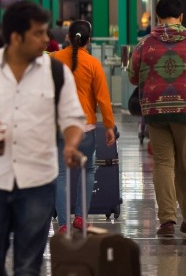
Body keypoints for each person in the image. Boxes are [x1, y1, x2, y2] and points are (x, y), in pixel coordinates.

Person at [0, 1, 85, 276]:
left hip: (38, 180)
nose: (47, 40)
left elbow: (73, 118)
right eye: (38, 33)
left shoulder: (56, 72)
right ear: (16, 37)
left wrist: (70, 144)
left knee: (28, 265)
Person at [129, 0, 186, 237]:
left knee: (163, 163)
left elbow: (133, 76)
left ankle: (166, 219)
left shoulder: (144, 44)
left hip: (155, 111)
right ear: (181, 17)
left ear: (157, 17)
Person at [51, 20, 116, 234]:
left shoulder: (54, 60)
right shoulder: (93, 63)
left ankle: (62, 224)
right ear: (89, 40)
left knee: (61, 174)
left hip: (59, 126)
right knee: (87, 171)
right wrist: (108, 126)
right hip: (85, 128)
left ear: (68, 37)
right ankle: (80, 218)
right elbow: (103, 99)